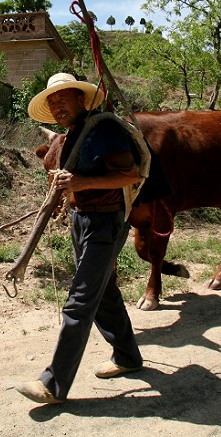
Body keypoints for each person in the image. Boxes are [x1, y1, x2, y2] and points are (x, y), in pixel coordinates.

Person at [14, 73, 145, 405]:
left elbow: (128, 174)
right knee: (104, 294)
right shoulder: (69, 137)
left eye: (63, 99)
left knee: (80, 300)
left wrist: (81, 183)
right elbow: (68, 181)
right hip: (80, 221)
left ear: (81, 99)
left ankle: (53, 384)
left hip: (106, 222)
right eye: (52, 102)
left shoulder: (105, 129)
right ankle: (128, 356)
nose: (58, 106)